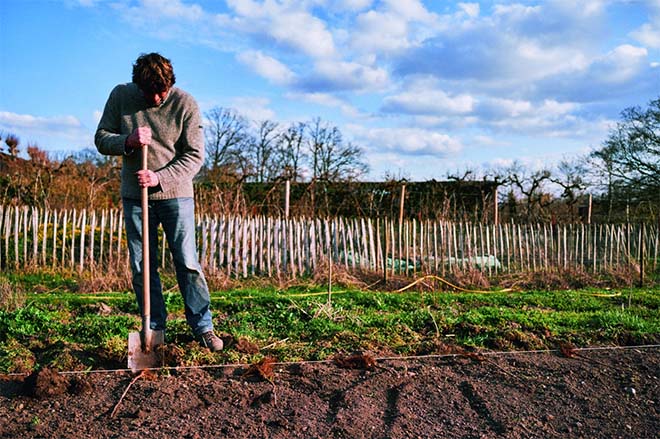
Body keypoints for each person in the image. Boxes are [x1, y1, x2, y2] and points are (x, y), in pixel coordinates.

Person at [95, 52, 223, 351]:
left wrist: (160, 178)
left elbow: (194, 156)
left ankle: (203, 326)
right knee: (142, 266)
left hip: (175, 195)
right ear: (137, 84)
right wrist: (126, 140)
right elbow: (101, 138)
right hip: (134, 198)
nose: (155, 98)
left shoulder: (185, 103)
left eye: (161, 91)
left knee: (187, 262)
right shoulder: (121, 96)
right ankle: (154, 329)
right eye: (148, 91)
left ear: (170, 84)